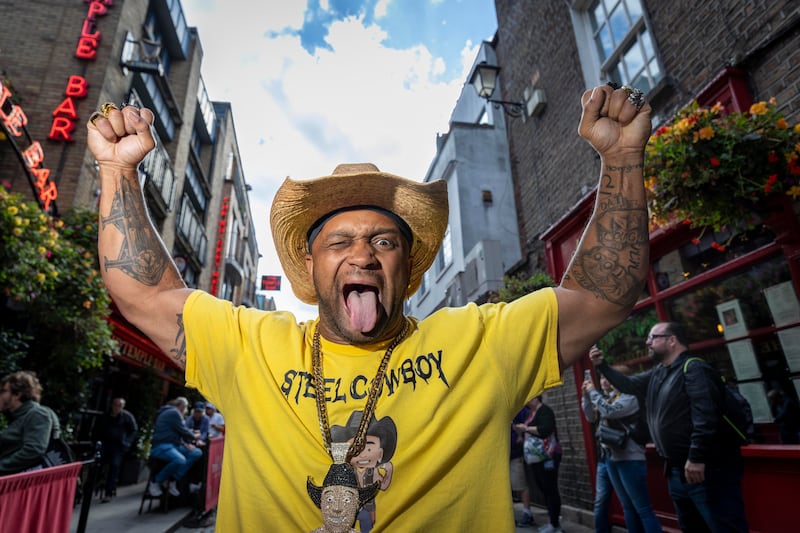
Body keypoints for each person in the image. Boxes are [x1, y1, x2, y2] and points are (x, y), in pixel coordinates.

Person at [86, 84, 652, 530]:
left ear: (408, 266)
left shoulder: (479, 343)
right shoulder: (250, 345)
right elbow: (147, 294)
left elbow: (600, 297)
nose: (363, 254)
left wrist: (624, 160)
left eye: (384, 242)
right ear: (310, 270)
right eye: (339, 242)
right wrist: (117, 171)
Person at [590, 322, 749, 532]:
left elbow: (705, 416)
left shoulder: (694, 368)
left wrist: (697, 457)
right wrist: (602, 365)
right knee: (692, 527)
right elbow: (629, 385)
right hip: (676, 470)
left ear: (672, 340)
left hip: (705, 470)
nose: (647, 342)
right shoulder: (659, 372)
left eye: (653, 337)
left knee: (724, 526)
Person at [582, 349, 661, 533]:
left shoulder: (630, 397)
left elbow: (610, 411)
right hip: (611, 457)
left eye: (609, 378)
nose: (605, 381)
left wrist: (593, 392)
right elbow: (590, 417)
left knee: (643, 509)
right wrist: (586, 396)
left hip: (631, 457)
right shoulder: (607, 397)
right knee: (627, 507)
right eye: (602, 378)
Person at [513, 396, 562, 533]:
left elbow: (545, 430)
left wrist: (526, 428)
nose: (527, 401)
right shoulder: (531, 413)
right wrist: (520, 433)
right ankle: (552, 522)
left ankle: (555, 524)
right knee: (544, 489)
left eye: (529, 398)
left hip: (548, 456)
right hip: (536, 458)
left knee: (550, 489)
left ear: (536, 398)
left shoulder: (545, 411)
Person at [0, 371, 59, 475]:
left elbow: (34, 450)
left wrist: (2, 465)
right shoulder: (18, 417)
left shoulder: (37, 414)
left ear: (17, 394)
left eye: (3, 391)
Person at [148, 397, 203, 498]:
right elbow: (182, 430)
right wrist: (194, 437)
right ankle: (156, 481)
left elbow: (177, 432)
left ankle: (173, 479)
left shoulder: (171, 412)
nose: (186, 410)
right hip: (161, 445)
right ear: (182, 406)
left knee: (196, 452)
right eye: (186, 407)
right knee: (180, 460)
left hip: (172, 445)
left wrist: (185, 444)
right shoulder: (173, 413)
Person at [96, 397, 138, 502]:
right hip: (105, 443)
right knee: (97, 464)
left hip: (117, 446)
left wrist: (127, 442)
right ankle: (94, 486)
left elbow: (134, 430)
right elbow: (98, 428)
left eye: (120, 406)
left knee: (114, 467)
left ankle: (108, 492)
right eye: (116, 405)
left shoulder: (127, 417)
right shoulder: (106, 416)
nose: (117, 408)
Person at [511, 405, 535, 528]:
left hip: (514, 453)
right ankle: (509, 516)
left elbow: (527, 415)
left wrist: (520, 433)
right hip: (500, 454)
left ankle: (527, 513)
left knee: (520, 484)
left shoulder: (516, 407)